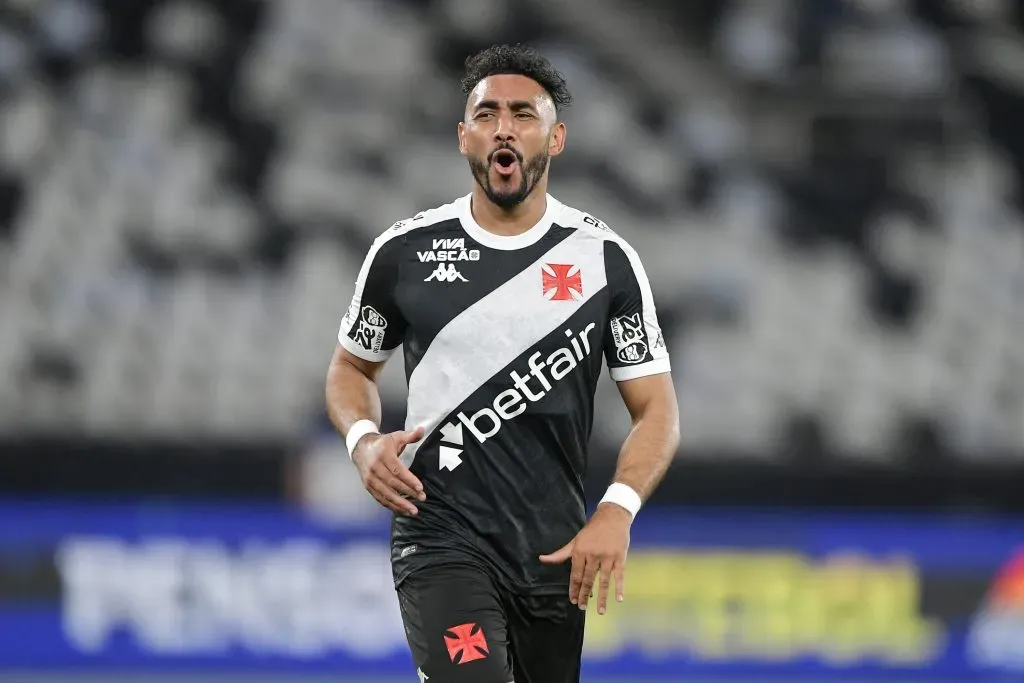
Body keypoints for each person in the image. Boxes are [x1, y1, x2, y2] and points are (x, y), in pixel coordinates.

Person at [325, 44, 680, 683]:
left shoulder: (604, 261)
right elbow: (351, 370)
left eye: (523, 113)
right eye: (487, 115)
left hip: (552, 552)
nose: (504, 127)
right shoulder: (405, 252)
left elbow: (657, 411)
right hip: (439, 535)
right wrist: (363, 440)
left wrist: (616, 509)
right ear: (465, 137)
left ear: (556, 137)